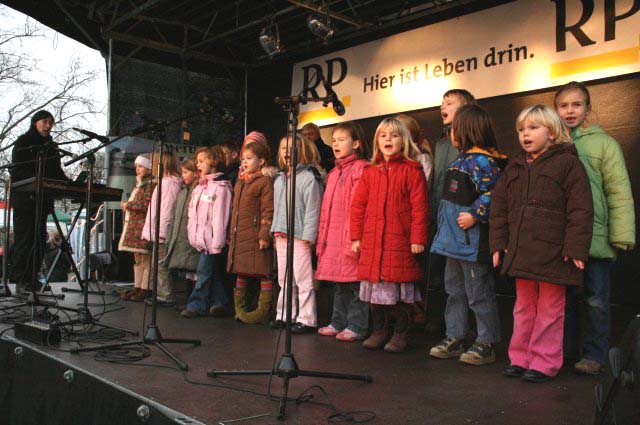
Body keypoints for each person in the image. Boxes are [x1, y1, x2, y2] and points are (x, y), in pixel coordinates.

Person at [491, 104, 593, 382]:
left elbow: (581, 209)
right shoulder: (514, 166)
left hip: (554, 253)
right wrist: (499, 243)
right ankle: (520, 358)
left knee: (550, 310)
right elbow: (499, 206)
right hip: (522, 252)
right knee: (523, 308)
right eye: (521, 129)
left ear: (552, 132)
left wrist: (575, 247)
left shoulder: (568, 163)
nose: (525, 134)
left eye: (533, 128)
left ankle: (544, 362)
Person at [554, 82, 636, 375]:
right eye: (563, 105)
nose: (570, 111)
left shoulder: (605, 144)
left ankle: (594, 355)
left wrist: (621, 235)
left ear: (588, 108)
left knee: (596, 300)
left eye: (577, 104)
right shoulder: (551, 144)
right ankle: (563, 354)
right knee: (563, 301)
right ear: (555, 110)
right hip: (562, 239)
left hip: (597, 238)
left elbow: (618, 191)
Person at [429, 104, 505, 365]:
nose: (450, 134)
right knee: (454, 291)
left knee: (478, 293)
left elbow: (496, 193)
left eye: (454, 129)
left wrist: (475, 214)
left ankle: (487, 341)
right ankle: (455, 335)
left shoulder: (483, 161)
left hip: (472, 244)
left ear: (466, 130)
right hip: (452, 243)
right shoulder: (460, 160)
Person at [350, 117, 429, 353]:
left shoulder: (412, 171)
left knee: (398, 294)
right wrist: (356, 237)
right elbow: (358, 206)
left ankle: (400, 334)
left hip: (399, 241)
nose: (388, 139)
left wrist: (418, 239)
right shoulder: (370, 172)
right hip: (373, 242)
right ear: (377, 141)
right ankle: (379, 331)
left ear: (403, 140)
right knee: (375, 292)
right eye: (383, 135)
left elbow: (420, 208)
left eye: (394, 135)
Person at [426, 90, 478, 334]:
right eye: (442, 103)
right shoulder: (441, 143)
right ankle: (443, 324)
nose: (442, 107)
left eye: (449, 102)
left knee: (469, 282)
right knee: (441, 277)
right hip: (440, 219)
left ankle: (474, 332)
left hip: (464, 222)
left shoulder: (474, 145)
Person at [316, 122, 371, 342]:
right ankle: (338, 321)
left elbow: (360, 207)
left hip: (352, 236)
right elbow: (326, 211)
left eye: (342, 139)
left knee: (356, 284)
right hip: (334, 237)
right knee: (339, 283)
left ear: (356, 143)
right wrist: (323, 239)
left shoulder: (361, 169)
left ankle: (357, 325)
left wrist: (356, 237)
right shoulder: (333, 173)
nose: (336, 144)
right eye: (334, 140)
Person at [10, 110, 70, 294]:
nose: (48, 126)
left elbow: (57, 172)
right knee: (24, 240)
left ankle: (32, 278)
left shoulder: (51, 146)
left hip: (42, 200)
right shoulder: (23, 142)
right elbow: (17, 170)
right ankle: (20, 280)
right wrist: (36, 180)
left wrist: (70, 184)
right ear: (35, 122)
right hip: (25, 200)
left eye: (51, 122)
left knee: (38, 241)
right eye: (45, 121)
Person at [270, 134, 323, 333]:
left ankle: (307, 318)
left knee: (303, 279)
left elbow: (313, 208)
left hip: (300, 236)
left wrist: (309, 236)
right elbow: (277, 208)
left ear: (303, 150)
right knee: (284, 279)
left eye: (292, 147)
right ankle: (284, 315)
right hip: (281, 234)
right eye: (283, 147)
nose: (287, 151)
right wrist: (274, 230)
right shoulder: (279, 179)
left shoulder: (309, 177)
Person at [181, 147, 232, 318]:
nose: (198, 164)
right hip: (202, 239)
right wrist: (193, 235)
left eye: (201, 161)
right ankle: (220, 301)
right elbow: (193, 214)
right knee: (211, 271)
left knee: (203, 272)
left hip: (211, 239)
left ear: (213, 162)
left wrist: (217, 242)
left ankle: (196, 305)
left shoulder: (221, 187)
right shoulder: (200, 187)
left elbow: (221, 216)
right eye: (197, 161)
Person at [228, 142, 275, 324]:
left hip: (256, 235)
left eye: (249, 158)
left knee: (263, 271)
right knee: (242, 271)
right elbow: (235, 211)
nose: (244, 162)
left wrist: (265, 234)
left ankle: (263, 310)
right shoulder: (241, 182)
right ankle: (240, 309)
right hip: (241, 235)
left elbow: (268, 210)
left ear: (261, 161)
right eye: (243, 159)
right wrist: (231, 233)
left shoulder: (264, 182)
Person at [142, 149, 182, 306]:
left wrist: (161, 232)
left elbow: (166, 211)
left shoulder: (169, 185)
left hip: (161, 232)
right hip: (158, 231)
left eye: (153, 163)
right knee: (157, 265)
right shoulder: (165, 183)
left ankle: (165, 296)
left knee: (161, 265)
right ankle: (160, 294)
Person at [118, 154, 155, 301]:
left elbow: (146, 204)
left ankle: (146, 288)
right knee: (138, 259)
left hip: (143, 226)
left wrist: (128, 205)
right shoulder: (140, 184)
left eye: (140, 166)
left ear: (149, 168)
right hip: (135, 226)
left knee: (146, 259)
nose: (137, 169)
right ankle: (138, 286)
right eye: (136, 167)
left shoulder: (151, 184)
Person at [165, 158, 201, 306]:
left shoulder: (197, 191)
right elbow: (175, 217)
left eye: (186, 172)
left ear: (195, 173)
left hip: (192, 237)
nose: (182, 175)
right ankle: (187, 300)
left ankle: (193, 302)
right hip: (181, 237)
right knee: (187, 271)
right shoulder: (182, 193)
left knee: (194, 270)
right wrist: (170, 238)